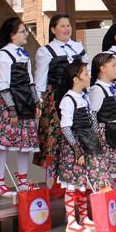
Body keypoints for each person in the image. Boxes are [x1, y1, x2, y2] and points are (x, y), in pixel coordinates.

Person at [0, 17, 40, 198]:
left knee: (24, 144)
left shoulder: (23, 53)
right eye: (22, 31)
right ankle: (0, 183)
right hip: (10, 102)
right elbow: (3, 84)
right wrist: (11, 108)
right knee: (3, 145)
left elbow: (31, 80)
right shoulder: (3, 55)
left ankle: (23, 181)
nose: (26, 34)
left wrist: (35, 101)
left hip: (25, 101)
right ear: (12, 35)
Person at [33, 14, 87, 183]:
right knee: (54, 140)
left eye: (68, 25)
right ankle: (53, 182)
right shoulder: (46, 51)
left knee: (79, 136)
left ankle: (77, 178)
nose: (66, 29)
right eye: (62, 26)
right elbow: (40, 81)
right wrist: (39, 101)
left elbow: (87, 74)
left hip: (79, 97)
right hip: (55, 98)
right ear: (53, 30)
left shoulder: (78, 47)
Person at [58, 59, 106, 232]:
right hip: (75, 144)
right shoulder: (68, 99)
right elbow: (65, 126)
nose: (89, 76)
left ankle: (84, 217)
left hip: (87, 142)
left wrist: (96, 139)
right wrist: (76, 149)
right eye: (85, 73)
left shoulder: (84, 96)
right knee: (72, 183)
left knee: (83, 182)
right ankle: (71, 220)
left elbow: (92, 120)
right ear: (75, 79)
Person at [88, 51, 116, 219]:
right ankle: (107, 207)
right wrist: (97, 136)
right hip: (105, 134)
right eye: (113, 65)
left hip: (115, 131)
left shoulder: (111, 87)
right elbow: (93, 115)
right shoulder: (97, 89)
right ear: (102, 68)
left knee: (115, 172)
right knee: (105, 172)